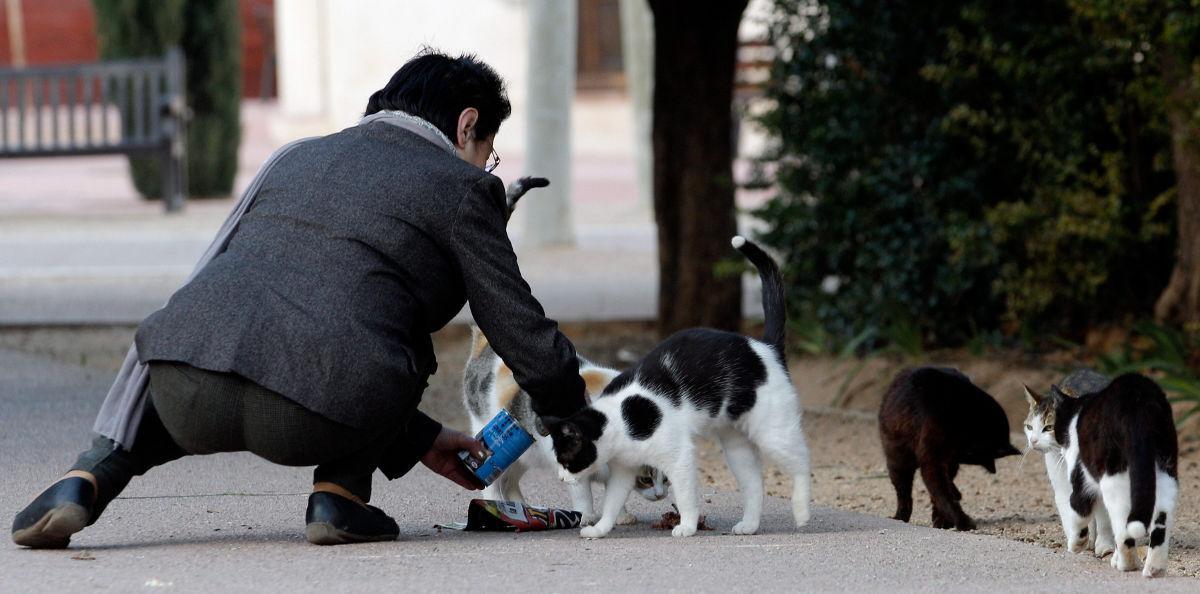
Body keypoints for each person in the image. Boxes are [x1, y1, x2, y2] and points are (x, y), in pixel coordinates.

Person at [11, 51, 587, 548]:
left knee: (252, 338)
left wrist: (421, 440)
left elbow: (211, 278)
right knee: (397, 328)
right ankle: (338, 495)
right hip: (313, 414)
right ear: (467, 125)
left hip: (184, 387)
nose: (486, 167)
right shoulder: (462, 187)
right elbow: (513, 323)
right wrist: (575, 416)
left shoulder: (294, 157)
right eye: (488, 151)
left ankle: (91, 476)